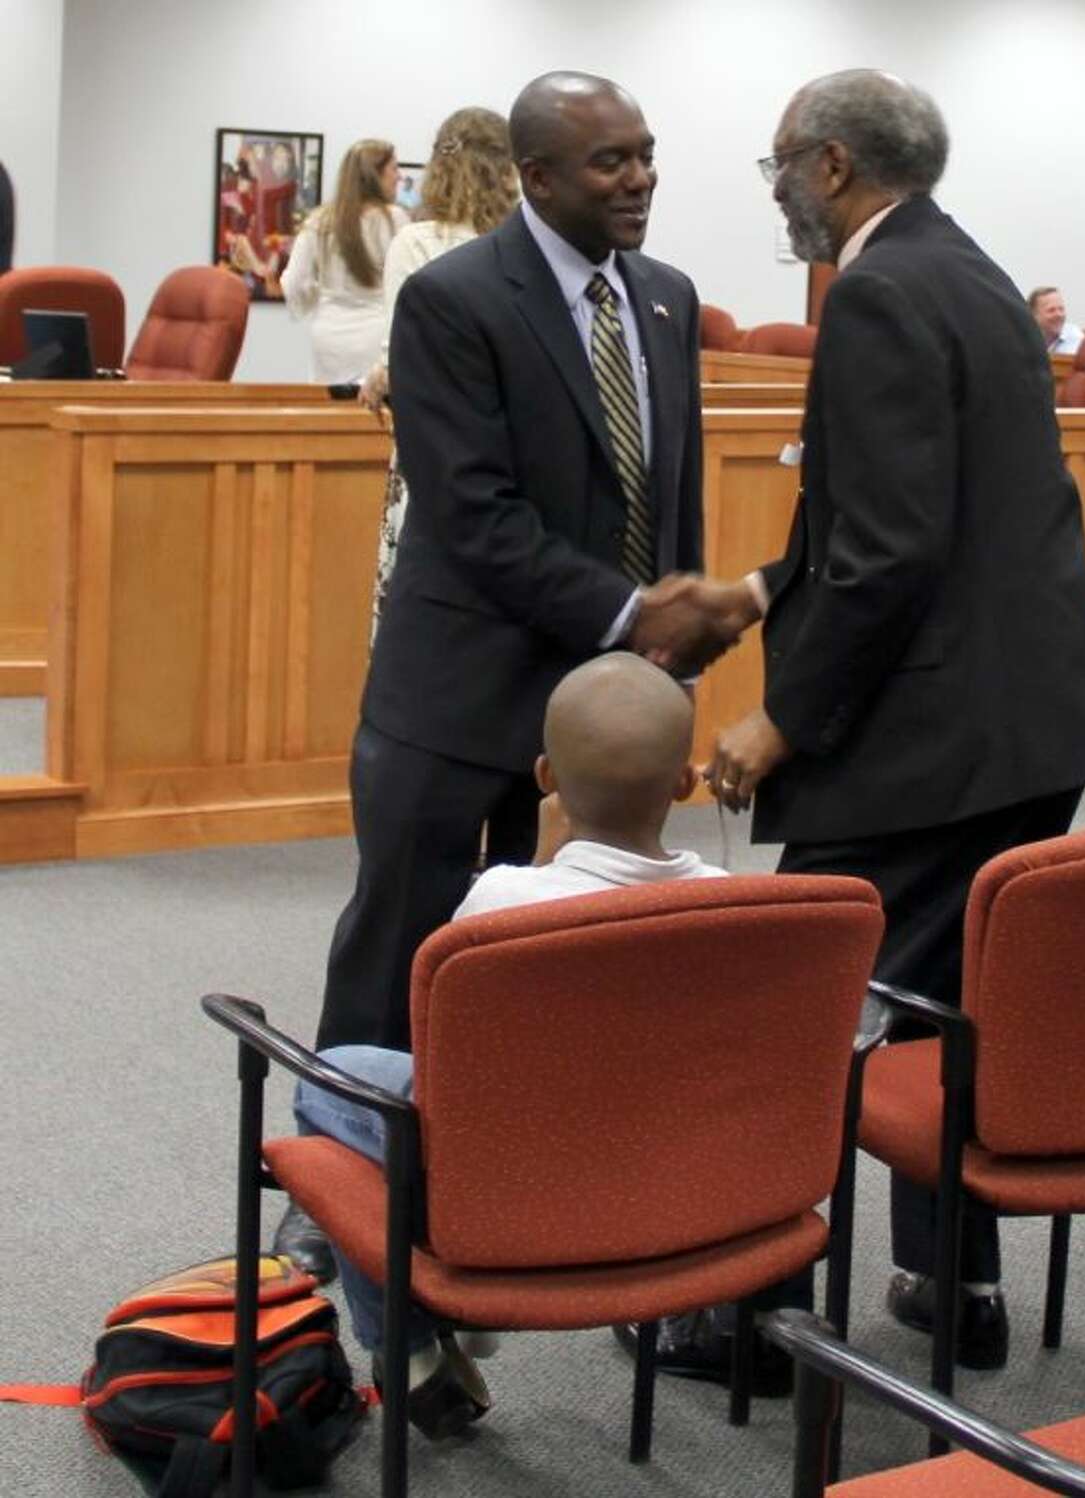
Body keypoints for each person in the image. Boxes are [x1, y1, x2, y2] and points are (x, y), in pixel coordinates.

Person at [693, 69, 1085, 1370]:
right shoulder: (975, 270)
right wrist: (762, 587)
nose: (772, 189)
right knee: (942, 994)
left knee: (801, 991)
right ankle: (953, 1285)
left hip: (935, 730)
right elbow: (909, 508)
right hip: (1037, 715)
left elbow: (888, 556)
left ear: (832, 165)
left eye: (778, 163)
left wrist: (781, 720)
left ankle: (742, 1306)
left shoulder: (882, 290)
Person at [274, 72, 736, 1279]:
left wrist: (664, 651)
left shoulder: (672, 300)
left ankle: (541, 1188)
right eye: (608, 164)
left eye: (646, 155)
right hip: (460, 695)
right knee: (402, 941)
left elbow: (666, 489)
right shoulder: (452, 299)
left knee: (577, 961)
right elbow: (474, 518)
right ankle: (336, 1198)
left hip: (609, 706)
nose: (638, 180)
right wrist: (640, 611)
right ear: (533, 177)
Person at [293, 653, 728, 1437]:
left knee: (331, 1080)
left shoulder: (499, 904)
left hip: (511, 1189)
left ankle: (409, 1348)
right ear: (685, 782)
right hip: (677, 1186)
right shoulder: (741, 906)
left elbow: (452, 1071)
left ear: (543, 776)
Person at [358, 107, 520, 638]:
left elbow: (404, 357)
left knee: (424, 612)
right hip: (513, 450)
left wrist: (381, 375)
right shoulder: (525, 247)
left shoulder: (418, 243)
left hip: (432, 452)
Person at [280, 138, 405, 383]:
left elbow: (295, 283)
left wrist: (319, 295)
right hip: (377, 338)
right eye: (394, 168)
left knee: (329, 418)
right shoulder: (394, 220)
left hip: (329, 341)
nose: (399, 176)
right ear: (374, 175)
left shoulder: (319, 221)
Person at [1028, 285, 1085, 354]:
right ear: (1034, 315)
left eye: (1061, 309)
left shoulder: (1075, 339)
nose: (1059, 315)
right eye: (1051, 310)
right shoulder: (1022, 338)